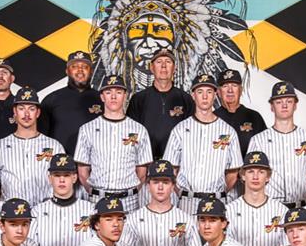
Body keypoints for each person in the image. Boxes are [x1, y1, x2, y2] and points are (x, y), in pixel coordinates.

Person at [163, 74, 242, 215]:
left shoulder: (228, 131)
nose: (205, 96)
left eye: (209, 92)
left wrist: (219, 192)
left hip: (216, 200)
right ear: (193, 95)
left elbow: (233, 172)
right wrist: (181, 192)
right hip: (187, 201)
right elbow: (171, 169)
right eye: (200, 92)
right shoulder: (180, 129)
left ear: (215, 95)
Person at [75, 74, 152, 212]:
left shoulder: (139, 130)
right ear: (102, 97)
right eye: (108, 92)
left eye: (118, 92)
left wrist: (132, 191)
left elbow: (142, 171)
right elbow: (82, 171)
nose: (113, 96)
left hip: (129, 200)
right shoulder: (87, 129)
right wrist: (93, 192)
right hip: (98, 198)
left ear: (125, 96)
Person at [247, 81, 306, 209]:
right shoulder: (258, 140)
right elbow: (251, 176)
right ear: (272, 107)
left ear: (295, 105)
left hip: (298, 206)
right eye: (278, 102)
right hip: (269, 207)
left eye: (289, 101)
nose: (284, 105)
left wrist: (302, 201)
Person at [0, 86, 65, 205]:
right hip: (10, 213)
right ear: (15, 111)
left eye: (31, 109)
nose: (26, 114)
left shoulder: (54, 146)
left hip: (45, 211)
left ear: (38, 112)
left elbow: (63, 183)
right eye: (21, 108)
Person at [126, 49, 195, 160]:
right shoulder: (138, 99)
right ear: (151, 67)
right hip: (146, 161)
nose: (163, 66)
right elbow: (130, 133)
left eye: (168, 61)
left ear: (174, 68)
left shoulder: (186, 99)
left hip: (177, 162)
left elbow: (192, 134)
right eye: (159, 62)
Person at [39, 51, 103, 155]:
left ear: (91, 71)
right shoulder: (51, 99)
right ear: (67, 71)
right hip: (60, 162)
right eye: (74, 66)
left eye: (85, 67)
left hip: (95, 160)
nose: (80, 70)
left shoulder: (102, 99)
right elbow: (41, 136)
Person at [214, 69, 266, 160]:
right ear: (218, 92)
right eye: (225, 86)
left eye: (234, 86)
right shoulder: (211, 118)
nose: (230, 90)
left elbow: (265, 148)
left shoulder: (254, 117)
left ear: (241, 90)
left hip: (248, 168)